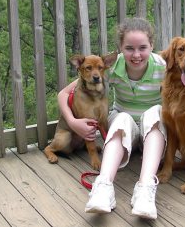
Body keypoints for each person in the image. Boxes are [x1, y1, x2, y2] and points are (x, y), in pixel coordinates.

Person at [57, 17, 166, 220]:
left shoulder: (163, 67)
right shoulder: (111, 67)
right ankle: (103, 186)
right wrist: (72, 122)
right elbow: (63, 94)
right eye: (129, 48)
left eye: (142, 47)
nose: (136, 54)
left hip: (154, 135)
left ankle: (145, 189)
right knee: (121, 117)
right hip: (126, 131)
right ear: (120, 49)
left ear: (152, 45)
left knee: (155, 113)